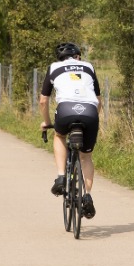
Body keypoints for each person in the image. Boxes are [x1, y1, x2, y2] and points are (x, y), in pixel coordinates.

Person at [39, 41, 100, 218]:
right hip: (89, 112)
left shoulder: (54, 68)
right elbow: (98, 100)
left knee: (59, 136)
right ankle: (87, 196)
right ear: (78, 56)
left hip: (65, 110)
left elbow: (43, 101)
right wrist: (91, 119)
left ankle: (60, 177)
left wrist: (47, 122)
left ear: (60, 58)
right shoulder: (88, 66)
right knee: (86, 156)